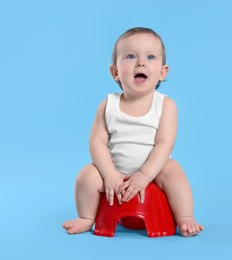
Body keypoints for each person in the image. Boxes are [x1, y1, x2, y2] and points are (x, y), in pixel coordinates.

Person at [62, 27, 204, 237]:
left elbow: (164, 144)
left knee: (173, 170)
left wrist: (144, 175)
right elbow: (97, 143)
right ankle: (86, 218)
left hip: (154, 174)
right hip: (115, 172)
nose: (141, 62)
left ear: (162, 72)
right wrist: (110, 174)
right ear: (115, 72)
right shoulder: (108, 105)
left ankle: (185, 218)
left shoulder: (165, 105)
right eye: (130, 56)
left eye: (150, 56)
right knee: (86, 175)